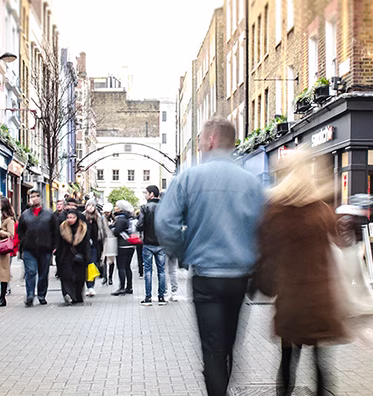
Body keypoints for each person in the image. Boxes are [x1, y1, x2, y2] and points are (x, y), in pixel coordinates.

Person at [155, 117, 265, 396]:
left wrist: (185, 251)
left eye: (202, 139)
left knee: (212, 350)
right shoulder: (252, 183)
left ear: (211, 140)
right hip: (239, 276)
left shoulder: (189, 178)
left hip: (205, 275)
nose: (201, 145)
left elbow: (165, 224)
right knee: (229, 345)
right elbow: (265, 228)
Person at [256, 147, 344, 396]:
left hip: (291, 298)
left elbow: (265, 254)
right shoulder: (321, 210)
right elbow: (339, 241)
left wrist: (266, 285)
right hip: (320, 298)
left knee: (287, 360)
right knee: (321, 362)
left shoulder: (275, 211)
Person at [17, 190, 58, 307]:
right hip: (29, 249)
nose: (34, 199)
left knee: (43, 273)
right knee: (30, 272)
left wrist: (54, 246)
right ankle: (30, 295)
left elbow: (55, 231)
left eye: (36, 196)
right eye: (32, 197)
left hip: (45, 248)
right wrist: (23, 242)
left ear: (40, 198)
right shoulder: (25, 215)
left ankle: (41, 295)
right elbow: (20, 231)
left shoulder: (49, 214)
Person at [137, 185, 167, 306]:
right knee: (161, 271)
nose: (145, 195)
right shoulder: (165, 207)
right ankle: (161, 297)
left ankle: (148, 298)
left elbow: (140, 225)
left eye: (146, 193)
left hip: (148, 243)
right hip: (161, 243)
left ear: (151, 194)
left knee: (148, 271)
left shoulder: (144, 208)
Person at [57, 210, 91, 305]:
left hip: (80, 257)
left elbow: (86, 244)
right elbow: (59, 243)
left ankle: (78, 296)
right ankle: (69, 295)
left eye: (72, 217)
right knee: (66, 277)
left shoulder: (83, 228)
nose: (70, 220)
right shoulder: (62, 228)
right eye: (68, 217)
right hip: (66, 255)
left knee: (79, 278)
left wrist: (87, 257)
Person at [110, 200, 137, 296]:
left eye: (116, 206)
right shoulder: (129, 217)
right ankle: (129, 287)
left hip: (122, 245)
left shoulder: (121, 218)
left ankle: (122, 287)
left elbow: (117, 231)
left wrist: (112, 227)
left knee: (121, 266)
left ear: (121, 208)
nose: (115, 207)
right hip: (130, 245)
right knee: (127, 266)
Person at [84, 199, 106, 297]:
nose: (90, 208)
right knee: (85, 265)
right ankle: (86, 285)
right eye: (89, 206)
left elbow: (102, 230)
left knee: (92, 265)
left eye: (92, 206)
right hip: (84, 245)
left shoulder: (99, 217)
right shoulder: (82, 216)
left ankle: (90, 286)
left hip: (95, 245)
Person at [102, 203, 117, 286]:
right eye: (105, 212)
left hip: (112, 240)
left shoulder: (114, 219)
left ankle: (110, 277)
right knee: (103, 259)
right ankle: (105, 277)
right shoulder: (102, 219)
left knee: (111, 260)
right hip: (104, 240)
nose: (106, 214)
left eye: (108, 212)